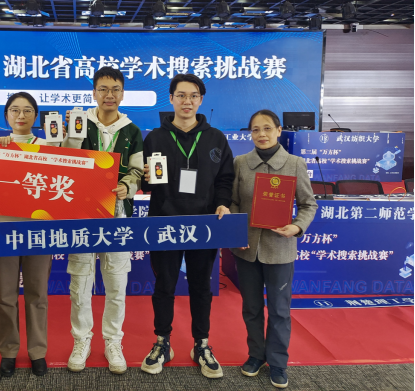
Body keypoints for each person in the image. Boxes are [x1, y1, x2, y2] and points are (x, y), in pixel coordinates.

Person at [140, 73, 234, 378]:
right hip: (164, 223)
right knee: (164, 285)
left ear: (201, 100)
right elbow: (147, 184)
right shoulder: (154, 137)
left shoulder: (215, 138)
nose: (187, 101)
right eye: (181, 95)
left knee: (201, 286)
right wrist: (144, 178)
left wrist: (223, 203)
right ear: (171, 99)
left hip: (204, 225)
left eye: (193, 96)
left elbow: (225, 179)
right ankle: (162, 342)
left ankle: (201, 345)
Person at [62, 66, 143, 375]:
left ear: (122, 93)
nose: (110, 95)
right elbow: (65, 161)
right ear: (94, 92)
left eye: (115, 89)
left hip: (118, 216)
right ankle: (81, 340)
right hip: (82, 214)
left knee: (116, 283)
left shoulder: (132, 131)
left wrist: (128, 186)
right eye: (103, 89)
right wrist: (70, 133)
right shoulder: (79, 123)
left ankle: (113, 341)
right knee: (80, 282)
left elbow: (137, 170)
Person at [229, 109, 317, 389]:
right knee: (252, 307)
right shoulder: (241, 163)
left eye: (267, 128)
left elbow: (308, 204)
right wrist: (235, 230)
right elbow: (232, 202)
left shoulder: (295, 163)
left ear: (279, 131)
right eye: (255, 129)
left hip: (280, 248)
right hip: (246, 248)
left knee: (279, 309)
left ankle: (278, 362)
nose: (262, 134)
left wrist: (297, 227)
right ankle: (256, 355)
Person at [0, 92, 61, 378]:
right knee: (5, 294)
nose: (21, 115)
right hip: (2, 229)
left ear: (36, 116)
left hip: (39, 230)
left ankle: (37, 351)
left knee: (37, 293)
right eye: (15, 110)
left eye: (28, 110)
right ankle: (8, 350)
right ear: (6, 115)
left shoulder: (49, 148)